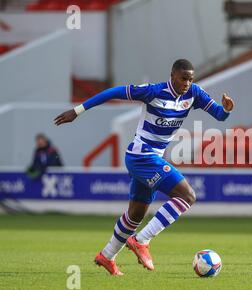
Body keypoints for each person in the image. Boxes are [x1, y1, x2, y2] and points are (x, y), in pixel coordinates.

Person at [54, 59, 234, 276]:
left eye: (190, 79)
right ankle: (141, 241)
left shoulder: (193, 93)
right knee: (188, 196)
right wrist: (78, 110)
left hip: (152, 158)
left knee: (135, 214)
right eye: (183, 78)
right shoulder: (153, 92)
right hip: (141, 156)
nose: (187, 83)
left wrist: (226, 109)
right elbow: (113, 92)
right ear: (172, 75)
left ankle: (107, 256)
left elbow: (219, 115)